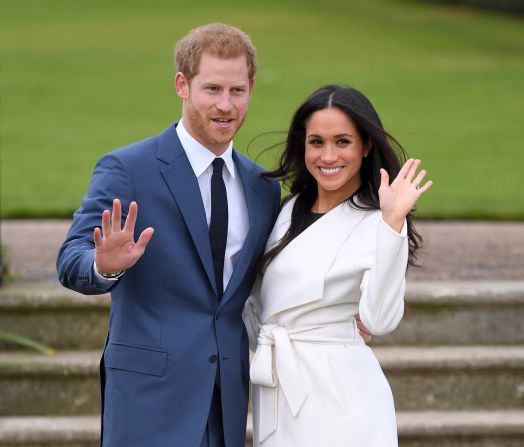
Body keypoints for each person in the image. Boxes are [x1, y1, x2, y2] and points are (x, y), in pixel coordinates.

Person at [56, 23, 282, 447]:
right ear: (183, 84)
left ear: (251, 87)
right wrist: (102, 266)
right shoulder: (128, 169)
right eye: (212, 89)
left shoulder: (263, 186)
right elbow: (71, 259)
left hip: (225, 403)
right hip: (148, 402)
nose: (225, 105)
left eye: (237, 90)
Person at [243, 84, 432, 446]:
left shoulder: (379, 222)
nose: (328, 155)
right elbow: (255, 305)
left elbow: (379, 320)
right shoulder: (284, 211)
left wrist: (392, 224)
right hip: (277, 390)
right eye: (317, 141)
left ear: (366, 145)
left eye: (342, 141)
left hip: (342, 399)